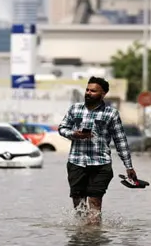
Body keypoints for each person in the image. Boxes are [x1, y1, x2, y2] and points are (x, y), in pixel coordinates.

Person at [57, 76, 138, 224]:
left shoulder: (111, 113)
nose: (88, 93)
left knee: (95, 203)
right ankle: (81, 239)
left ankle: (94, 240)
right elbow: (62, 128)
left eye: (93, 91)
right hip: (76, 162)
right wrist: (75, 134)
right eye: (87, 90)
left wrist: (129, 166)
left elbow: (120, 141)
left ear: (103, 94)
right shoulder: (75, 109)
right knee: (79, 205)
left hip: (101, 164)